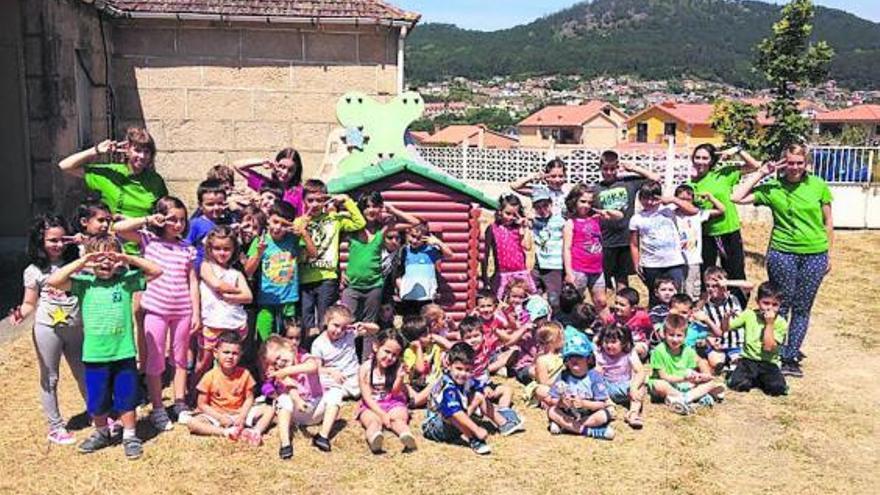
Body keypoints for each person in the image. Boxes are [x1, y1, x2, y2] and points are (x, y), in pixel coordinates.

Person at [47, 234, 163, 459]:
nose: (105, 262)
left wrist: (125, 257)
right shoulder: (83, 284)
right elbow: (54, 280)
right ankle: (101, 432)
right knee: (97, 398)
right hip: (95, 355)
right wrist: (83, 261)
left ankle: (130, 435)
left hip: (124, 353)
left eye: (109, 256)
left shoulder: (126, 281)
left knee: (127, 397)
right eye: (98, 257)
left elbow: (156, 271)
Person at [732, 144, 833, 378]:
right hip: (782, 253)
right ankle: (773, 349)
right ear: (783, 162)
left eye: (799, 162)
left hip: (814, 253)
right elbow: (736, 197)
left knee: (802, 307)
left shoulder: (818, 186)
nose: (795, 167)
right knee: (781, 304)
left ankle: (790, 356)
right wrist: (762, 172)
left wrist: (828, 253)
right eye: (790, 162)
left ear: (806, 163)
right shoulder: (773, 187)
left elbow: (828, 221)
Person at [113, 197, 199, 429]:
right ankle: (158, 408)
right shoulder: (148, 240)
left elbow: (192, 281)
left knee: (180, 359)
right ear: (161, 219)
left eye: (182, 220)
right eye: (173, 219)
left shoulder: (187, 248)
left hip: (182, 311)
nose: (178, 224)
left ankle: (179, 403)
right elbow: (118, 229)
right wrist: (148, 220)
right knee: (155, 358)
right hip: (156, 310)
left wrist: (196, 313)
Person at [9, 214, 86, 445]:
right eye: (53, 240)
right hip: (48, 329)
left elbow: (99, 254)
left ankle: (98, 413)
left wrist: (83, 243)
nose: (59, 245)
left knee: (84, 372)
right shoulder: (33, 270)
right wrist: (20, 313)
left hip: (77, 327)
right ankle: (55, 426)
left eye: (63, 239)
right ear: (40, 241)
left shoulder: (79, 259)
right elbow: (30, 302)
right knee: (50, 378)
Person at [57, 127, 168, 252]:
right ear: (127, 150)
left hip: (144, 249)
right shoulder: (110, 173)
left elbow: (164, 214)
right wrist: (97, 150)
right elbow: (65, 166)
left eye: (146, 152)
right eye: (137, 150)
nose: (142, 156)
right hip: (110, 250)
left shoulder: (155, 181)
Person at [689, 144, 761, 306]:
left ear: (711, 160)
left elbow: (755, 166)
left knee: (734, 271)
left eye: (704, 158)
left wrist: (738, 150)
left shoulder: (724, 174)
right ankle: (710, 307)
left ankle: (738, 306)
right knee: (707, 274)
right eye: (697, 157)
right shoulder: (691, 184)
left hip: (728, 231)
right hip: (705, 234)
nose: (700, 161)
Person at [297, 180, 366, 335]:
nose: (314, 204)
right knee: (306, 321)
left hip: (327, 277)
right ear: (304, 201)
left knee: (325, 319)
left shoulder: (334, 220)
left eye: (320, 200)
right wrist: (303, 224)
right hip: (304, 277)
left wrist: (346, 200)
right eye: (310, 200)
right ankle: (307, 352)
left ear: (326, 200)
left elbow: (359, 223)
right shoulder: (299, 222)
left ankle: (325, 354)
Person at [422, 342, 517, 455]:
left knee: (478, 396)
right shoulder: (447, 386)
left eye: (467, 370)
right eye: (459, 368)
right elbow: (454, 412)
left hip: (454, 422)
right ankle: (473, 438)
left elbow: (476, 384)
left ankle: (503, 423)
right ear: (448, 364)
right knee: (451, 412)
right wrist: (477, 429)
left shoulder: (466, 379)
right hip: (435, 427)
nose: (463, 374)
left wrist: (485, 388)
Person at [342, 191, 419, 329]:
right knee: (346, 322)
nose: (371, 210)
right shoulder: (352, 228)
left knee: (368, 325)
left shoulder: (382, 229)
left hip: (374, 286)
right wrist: (339, 271)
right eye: (367, 206)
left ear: (380, 208)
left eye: (375, 206)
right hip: (352, 285)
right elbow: (332, 246)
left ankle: (366, 351)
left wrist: (394, 210)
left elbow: (415, 222)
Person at [309, 304, 379, 452]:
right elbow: (316, 368)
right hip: (335, 378)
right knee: (323, 382)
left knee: (372, 374)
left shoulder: (349, 333)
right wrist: (330, 371)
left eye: (343, 327)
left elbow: (376, 329)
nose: (339, 331)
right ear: (326, 321)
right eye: (335, 325)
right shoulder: (318, 344)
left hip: (354, 375)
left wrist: (363, 325)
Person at [245, 201, 317, 341]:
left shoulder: (293, 239)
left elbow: (313, 254)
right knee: (264, 339)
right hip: (266, 300)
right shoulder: (261, 240)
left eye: (284, 225)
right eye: (275, 222)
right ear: (268, 219)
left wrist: (304, 234)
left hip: (289, 300)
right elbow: (248, 271)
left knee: (289, 339)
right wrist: (258, 254)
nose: (278, 228)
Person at [595, 150, 660, 289]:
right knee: (602, 280)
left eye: (612, 169)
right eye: (605, 169)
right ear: (600, 168)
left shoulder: (628, 183)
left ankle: (622, 304)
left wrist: (633, 168)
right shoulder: (595, 188)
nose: (609, 172)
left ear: (617, 168)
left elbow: (655, 178)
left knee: (622, 278)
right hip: (605, 242)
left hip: (624, 240)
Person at [628, 180, 699, 305]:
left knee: (675, 297)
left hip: (674, 263)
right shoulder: (637, 218)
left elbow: (693, 211)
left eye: (653, 199)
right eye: (645, 199)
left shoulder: (669, 210)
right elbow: (634, 244)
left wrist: (672, 200)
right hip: (651, 264)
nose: (649, 202)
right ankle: (656, 321)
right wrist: (636, 263)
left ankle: (677, 322)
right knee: (655, 297)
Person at [186, 331, 260, 443]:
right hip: (218, 415)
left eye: (235, 353)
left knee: (269, 410)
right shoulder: (209, 376)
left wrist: (242, 416)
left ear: (240, 355)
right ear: (216, 353)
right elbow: (201, 404)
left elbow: (249, 398)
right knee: (192, 423)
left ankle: (256, 431)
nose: (230, 356)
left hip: (239, 413)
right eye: (226, 352)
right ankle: (225, 432)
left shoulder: (245, 374)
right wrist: (219, 418)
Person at [198, 226, 253, 377]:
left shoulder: (236, 273)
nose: (222, 253)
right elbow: (216, 284)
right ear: (210, 249)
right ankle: (192, 395)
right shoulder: (206, 266)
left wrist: (229, 297)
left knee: (230, 363)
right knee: (203, 362)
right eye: (217, 248)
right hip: (212, 322)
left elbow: (248, 296)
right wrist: (236, 291)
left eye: (226, 249)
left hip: (233, 323)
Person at [258, 334, 323, 459]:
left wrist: (286, 371)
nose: (279, 363)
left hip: (316, 409)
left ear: (287, 347)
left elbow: (313, 366)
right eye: (274, 362)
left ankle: (323, 436)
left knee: (335, 392)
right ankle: (285, 443)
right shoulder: (282, 374)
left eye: (278, 357)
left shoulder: (303, 358)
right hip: (297, 414)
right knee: (283, 398)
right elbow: (289, 389)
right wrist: (280, 376)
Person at [647, 314, 726, 416]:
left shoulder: (688, 350)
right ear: (664, 334)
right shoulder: (659, 351)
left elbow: (696, 365)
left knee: (710, 383)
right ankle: (694, 397)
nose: (675, 339)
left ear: (685, 335)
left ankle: (683, 399)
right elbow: (664, 376)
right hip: (669, 383)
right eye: (671, 335)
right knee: (658, 385)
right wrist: (683, 379)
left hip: (685, 384)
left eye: (679, 335)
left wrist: (702, 376)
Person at [357, 329, 418, 454]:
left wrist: (400, 377)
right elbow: (366, 397)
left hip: (392, 401)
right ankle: (374, 438)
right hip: (371, 404)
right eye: (387, 352)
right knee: (373, 421)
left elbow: (395, 392)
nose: (390, 357)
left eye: (394, 355)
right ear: (376, 347)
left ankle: (405, 434)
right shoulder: (366, 368)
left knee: (399, 418)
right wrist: (382, 414)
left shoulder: (396, 368)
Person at [562, 183, 622, 310]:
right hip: (579, 269)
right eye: (582, 201)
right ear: (574, 201)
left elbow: (619, 216)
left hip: (597, 268)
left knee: (601, 301)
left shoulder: (595, 218)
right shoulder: (571, 223)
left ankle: (603, 325)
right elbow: (566, 249)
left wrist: (606, 211)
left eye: (589, 202)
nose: (586, 205)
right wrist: (569, 273)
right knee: (577, 301)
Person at [546, 331, 615, 439]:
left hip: (588, 415)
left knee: (604, 414)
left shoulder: (594, 377)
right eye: (570, 357)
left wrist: (584, 404)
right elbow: (552, 400)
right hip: (568, 413)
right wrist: (561, 402)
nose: (574, 360)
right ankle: (589, 431)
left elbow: (601, 404)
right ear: (566, 361)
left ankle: (567, 427)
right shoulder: (563, 376)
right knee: (552, 411)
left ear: (588, 359)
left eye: (579, 356)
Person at [725, 282, 789, 396]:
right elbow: (727, 328)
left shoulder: (780, 322)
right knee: (738, 384)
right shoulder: (749, 315)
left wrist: (769, 324)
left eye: (775, 305)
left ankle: (761, 379)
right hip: (748, 359)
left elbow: (768, 347)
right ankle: (747, 377)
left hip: (768, 362)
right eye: (766, 303)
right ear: (757, 301)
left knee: (777, 389)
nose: (770, 308)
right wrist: (726, 318)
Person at [673, 184, 725, 300]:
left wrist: (711, 198)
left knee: (690, 288)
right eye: (681, 199)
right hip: (675, 259)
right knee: (677, 287)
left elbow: (721, 210)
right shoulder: (672, 214)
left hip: (693, 258)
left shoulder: (697, 214)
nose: (685, 203)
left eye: (688, 199)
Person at [482, 194, 534, 298]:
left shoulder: (519, 228)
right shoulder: (492, 228)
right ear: (500, 211)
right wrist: (485, 276)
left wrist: (525, 227)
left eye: (515, 214)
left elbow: (527, 247)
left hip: (520, 273)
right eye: (508, 213)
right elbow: (486, 253)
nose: (511, 217)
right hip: (502, 274)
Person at [595, 323, 647, 429]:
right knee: (595, 384)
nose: (609, 345)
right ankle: (609, 405)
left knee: (641, 386)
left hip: (625, 386)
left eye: (613, 342)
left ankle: (633, 413)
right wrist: (598, 372)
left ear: (623, 343)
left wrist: (633, 387)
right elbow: (595, 374)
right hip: (606, 387)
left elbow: (640, 371)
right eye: (606, 342)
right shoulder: (600, 354)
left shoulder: (629, 353)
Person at [397, 221, 453, 316]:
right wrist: (400, 288)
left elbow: (449, 255)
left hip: (427, 297)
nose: (414, 241)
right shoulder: (404, 250)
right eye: (412, 236)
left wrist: (437, 242)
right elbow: (399, 272)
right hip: (408, 296)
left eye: (418, 238)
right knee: (410, 324)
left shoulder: (430, 250)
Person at [234, 148, 305, 216]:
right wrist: (262, 162)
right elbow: (238, 165)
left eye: (290, 170)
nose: (285, 172)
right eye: (282, 167)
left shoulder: (298, 192)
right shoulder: (265, 184)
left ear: (296, 171)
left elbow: (301, 217)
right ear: (275, 165)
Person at [402, 315, 452, 408]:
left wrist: (435, 337)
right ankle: (418, 399)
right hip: (415, 385)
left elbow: (452, 348)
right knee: (404, 384)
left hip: (432, 384)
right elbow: (420, 369)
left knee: (439, 381)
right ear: (415, 339)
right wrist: (418, 348)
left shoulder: (434, 346)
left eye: (429, 333)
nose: (429, 336)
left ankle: (416, 401)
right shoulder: (410, 351)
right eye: (425, 335)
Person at [529, 185, 565, 310]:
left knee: (554, 297)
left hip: (554, 265)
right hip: (539, 263)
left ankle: (555, 321)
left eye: (545, 206)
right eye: (538, 207)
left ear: (551, 204)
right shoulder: (534, 221)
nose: (542, 210)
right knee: (533, 292)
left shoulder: (560, 221)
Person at [186, 179, 229, 271]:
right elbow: (186, 246)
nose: (216, 207)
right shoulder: (195, 224)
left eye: (220, 203)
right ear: (200, 205)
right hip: (200, 270)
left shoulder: (226, 222)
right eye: (210, 204)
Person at [522, 321, 564, 408]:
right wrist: (559, 377)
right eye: (561, 337)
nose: (564, 339)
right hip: (550, 387)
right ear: (552, 340)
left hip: (562, 387)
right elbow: (544, 382)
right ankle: (557, 404)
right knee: (541, 390)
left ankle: (560, 403)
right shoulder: (542, 359)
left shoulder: (562, 356)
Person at [604, 287, 653, 360]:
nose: (617, 306)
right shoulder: (611, 318)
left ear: (633, 308)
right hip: (620, 345)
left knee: (637, 349)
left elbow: (650, 329)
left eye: (622, 305)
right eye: (616, 303)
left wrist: (648, 342)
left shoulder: (642, 316)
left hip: (638, 343)